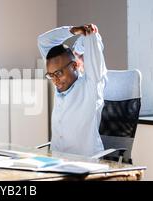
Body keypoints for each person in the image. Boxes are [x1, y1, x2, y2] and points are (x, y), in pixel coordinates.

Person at [37, 24, 107, 156]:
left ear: (74, 66)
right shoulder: (60, 80)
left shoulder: (90, 86)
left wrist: (89, 35)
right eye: (50, 75)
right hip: (57, 163)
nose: (55, 80)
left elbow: (93, 46)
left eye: (58, 73)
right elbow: (43, 41)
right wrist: (72, 30)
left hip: (86, 165)